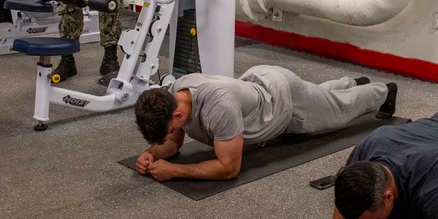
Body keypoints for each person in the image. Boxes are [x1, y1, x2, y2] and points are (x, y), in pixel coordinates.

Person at [133, 65, 399, 181]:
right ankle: (350, 83)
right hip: (261, 82)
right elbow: (173, 142)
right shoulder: (177, 91)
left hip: (284, 101)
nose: (171, 135)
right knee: (323, 99)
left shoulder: (219, 107)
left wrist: (175, 171)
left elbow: (229, 168)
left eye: (168, 130)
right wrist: (151, 155)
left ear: (177, 116)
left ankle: (383, 91)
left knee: (338, 111)